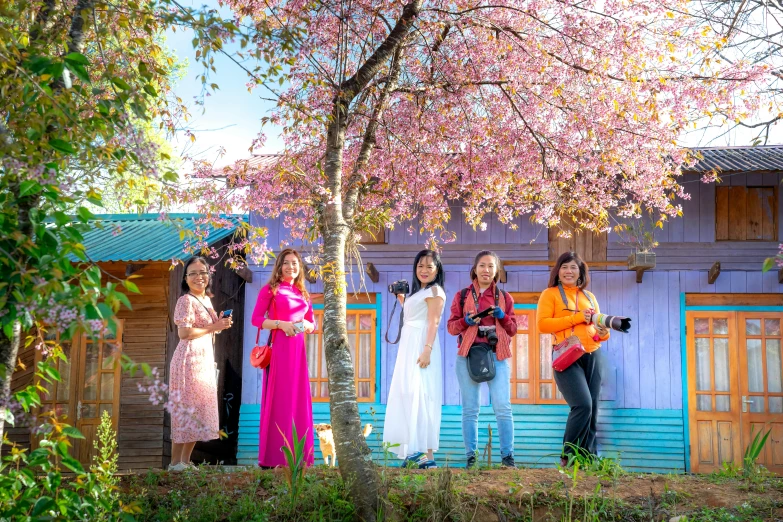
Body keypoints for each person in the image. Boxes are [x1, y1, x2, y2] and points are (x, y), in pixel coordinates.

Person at [537, 252, 610, 466]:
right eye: (564, 267)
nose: (569, 271)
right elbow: (543, 325)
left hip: (592, 353)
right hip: (566, 354)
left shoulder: (590, 297)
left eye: (574, 268)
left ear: (581, 273)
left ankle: (589, 459)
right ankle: (569, 458)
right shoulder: (549, 294)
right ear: (558, 272)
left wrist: (603, 332)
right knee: (582, 405)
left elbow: (597, 332)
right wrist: (577, 317)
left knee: (594, 408)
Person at [447, 250, 517, 468]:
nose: (486, 270)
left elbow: (513, 328)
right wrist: (466, 321)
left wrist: (502, 317)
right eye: (482, 266)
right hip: (468, 355)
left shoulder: (505, 298)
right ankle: (471, 458)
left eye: (491, 266)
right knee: (470, 409)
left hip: (498, 354)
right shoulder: (461, 296)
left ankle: (507, 458)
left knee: (503, 407)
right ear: (474, 269)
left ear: (496, 271)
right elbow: (451, 327)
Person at [252, 248, 316, 468]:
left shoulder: (303, 294)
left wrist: (307, 325)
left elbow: (312, 324)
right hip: (280, 348)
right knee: (279, 399)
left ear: (300, 268)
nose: (291, 267)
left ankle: (299, 458)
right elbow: (256, 319)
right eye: (287, 263)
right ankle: (272, 458)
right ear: (279, 266)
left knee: (297, 400)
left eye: (295, 263)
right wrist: (281, 325)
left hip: (298, 351)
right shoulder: (271, 290)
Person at [383, 249, 447, 469]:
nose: (424, 270)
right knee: (408, 393)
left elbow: (433, 322)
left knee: (422, 394)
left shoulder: (436, 291)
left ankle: (427, 456)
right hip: (409, 345)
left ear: (437, 269)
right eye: (420, 266)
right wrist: (402, 299)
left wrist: (427, 349)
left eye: (429, 266)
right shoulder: (419, 292)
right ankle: (414, 452)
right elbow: (412, 316)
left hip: (422, 344)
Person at [170, 256, 233, 472]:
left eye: (203, 272)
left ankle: (185, 462)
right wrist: (214, 326)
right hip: (188, 360)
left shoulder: (206, 300)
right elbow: (184, 332)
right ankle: (175, 463)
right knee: (186, 409)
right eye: (193, 273)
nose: (199, 277)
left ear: (209, 275)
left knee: (197, 411)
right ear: (186, 279)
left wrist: (219, 323)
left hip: (203, 359)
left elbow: (210, 327)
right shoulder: (186, 300)